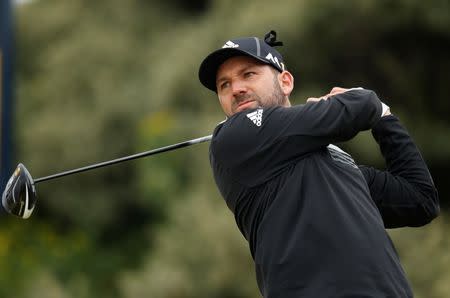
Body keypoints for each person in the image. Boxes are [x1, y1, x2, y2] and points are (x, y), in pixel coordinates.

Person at [198, 30, 439, 297]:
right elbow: (361, 104)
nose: (236, 89)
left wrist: (385, 118)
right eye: (224, 85)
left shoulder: (335, 160)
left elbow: (420, 199)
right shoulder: (233, 138)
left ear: (286, 81)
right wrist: (368, 103)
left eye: (248, 74)